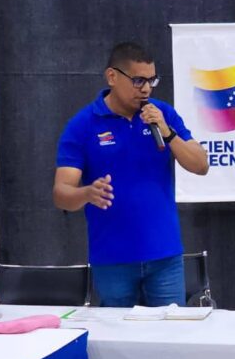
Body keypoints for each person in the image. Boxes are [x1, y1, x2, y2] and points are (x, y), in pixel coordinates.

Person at [53, 41, 209, 307]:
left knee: (172, 337)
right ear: (112, 76)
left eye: (151, 80)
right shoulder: (83, 125)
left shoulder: (163, 114)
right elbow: (61, 193)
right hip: (112, 260)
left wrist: (167, 131)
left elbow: (200, 165)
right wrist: (86, 193)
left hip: (165, 256)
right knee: (120, 340)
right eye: (138, 81)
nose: (146, 88)